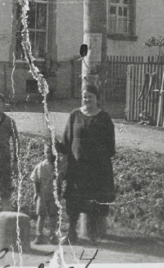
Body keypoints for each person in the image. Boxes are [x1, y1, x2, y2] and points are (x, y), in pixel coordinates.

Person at [56, 84, 115, 243]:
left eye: (91, 96)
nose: (87, 99)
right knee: (74, 200)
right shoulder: (74, 115)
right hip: (77, 169)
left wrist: (97, 159)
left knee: (95, 199)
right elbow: (67, 142)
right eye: (85, 97)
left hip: (97, 168)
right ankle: (71, 234)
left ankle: (94, 235)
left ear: (97, 98)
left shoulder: (104, 118)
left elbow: (110, 147)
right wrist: (55, 143)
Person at [30, 142, 60, 244]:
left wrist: (59, 193)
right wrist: (36, 193)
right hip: (42, 194)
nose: (49, 155)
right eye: (47, 152)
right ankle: (39, 235)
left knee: (53, 215)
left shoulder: (57, 167)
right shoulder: (40, 166)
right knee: (41, 215)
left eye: (51, 152)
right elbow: (36, 180)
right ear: (44, 152)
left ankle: (52, 235)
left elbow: (59, 181)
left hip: (53, 195)